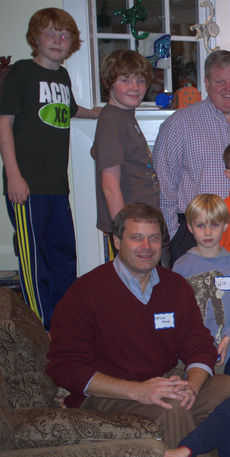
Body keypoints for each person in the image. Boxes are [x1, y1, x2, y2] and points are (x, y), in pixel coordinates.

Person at [46, 203, 230, 448]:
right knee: (173, 405)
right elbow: (64, 366)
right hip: (105, 393)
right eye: (136, 238)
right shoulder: (85, 292)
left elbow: (198, 343)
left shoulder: (175, 286)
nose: (146, 247)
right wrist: (136, 391)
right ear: (117, 241)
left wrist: (192, 385)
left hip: (162, 380)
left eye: (153, 238)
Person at [0, 8, 101, 329]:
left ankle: (64, 323)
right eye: (50, 33)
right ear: (35, 38)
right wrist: (13, 175)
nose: (58, 40)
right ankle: (42, 327)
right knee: (35, 260)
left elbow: (69, 109)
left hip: (57, 186)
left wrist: (100, 112)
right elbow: (4, 124)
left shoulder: (62, 76)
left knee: (63, 255)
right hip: (26, 185)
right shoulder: (22, 73)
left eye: (65, 35)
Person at [153, 50, 230, 264]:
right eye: (220, 81)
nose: (228, 88)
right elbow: (163, 187)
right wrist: (175, 236)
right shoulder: (179, 124)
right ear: (207, 82)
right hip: (196, 233)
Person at [92, 49, 162, 262]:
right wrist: (124, 233)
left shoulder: (124, 116)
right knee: (129, 288)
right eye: (126, 80)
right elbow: (110, 184)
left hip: (140, 223)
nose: (135, 87)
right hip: (131, 228)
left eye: (140, 81)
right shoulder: (112, 122)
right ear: (108, 83)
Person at [172, 194, 230, 366]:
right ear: (190, 227)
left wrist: (229, 337)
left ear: (225, 225)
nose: (208, 232)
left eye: (214, 225)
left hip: (226, 351)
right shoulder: (181, 266)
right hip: (187, 354)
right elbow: (175, 310)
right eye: (200, 225)